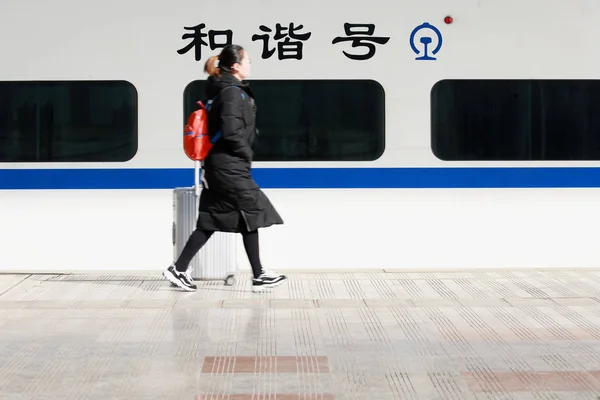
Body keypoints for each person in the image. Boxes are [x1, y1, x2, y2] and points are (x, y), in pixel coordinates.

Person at [163, 44, 287, 293]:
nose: (250, 64)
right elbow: (231, 132)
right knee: (252, 209)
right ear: (236, 66)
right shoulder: (231, 92)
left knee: (213, 219)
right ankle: (259, 274)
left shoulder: (226, 89)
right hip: (228, 165)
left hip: (221, 165)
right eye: (248, 61)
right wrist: (245, 153)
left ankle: (179, 268)